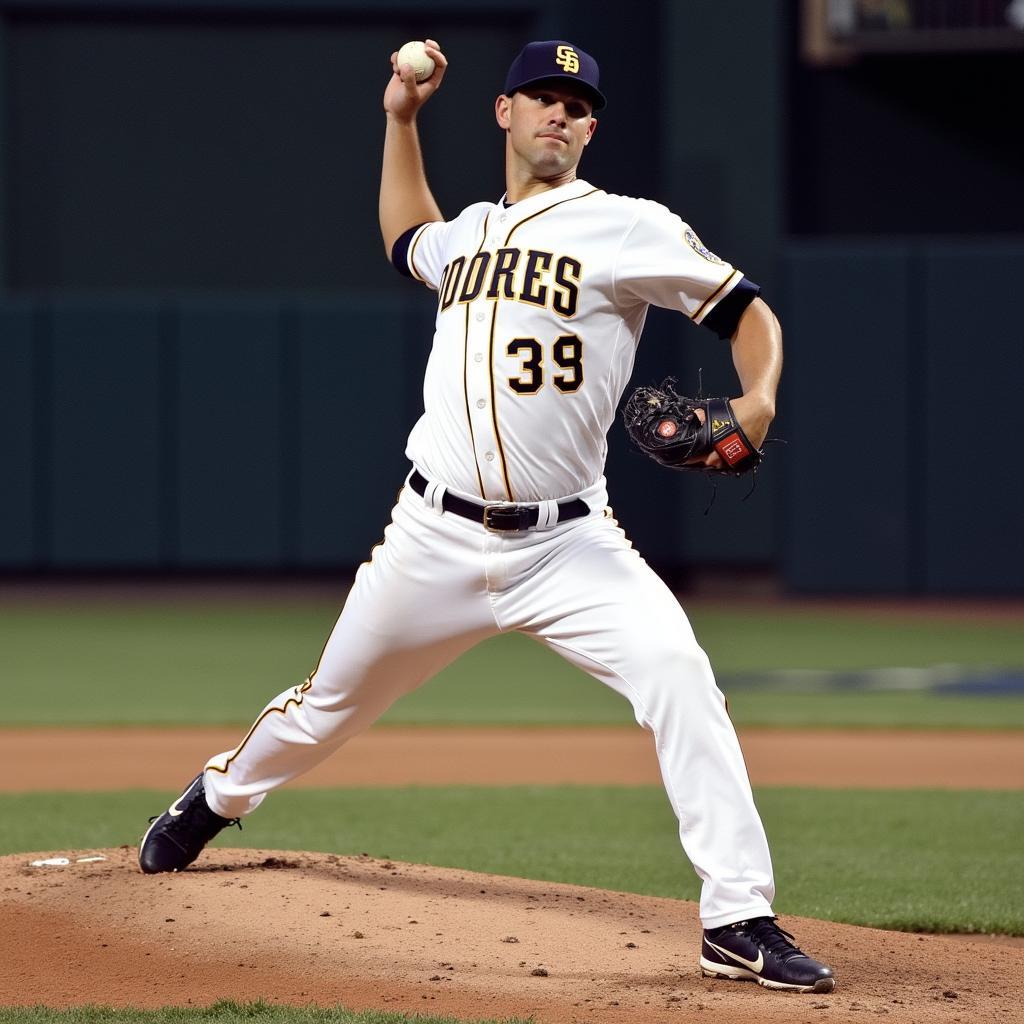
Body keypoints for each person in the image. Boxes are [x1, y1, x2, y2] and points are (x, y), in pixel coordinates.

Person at [139, 38, 835, 995]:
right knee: (325, 710)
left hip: (570, 544)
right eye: (540, 97)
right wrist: (399, 118)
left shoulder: (627, 227)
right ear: (502, 113)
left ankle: (738, 916)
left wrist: (756, 402)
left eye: (577, 104)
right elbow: (402, 236)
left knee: (679, 673)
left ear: (592, 128)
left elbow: (749, 313)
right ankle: (219, 794)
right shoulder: (464, 236)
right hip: (431, 537)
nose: (559, 113)